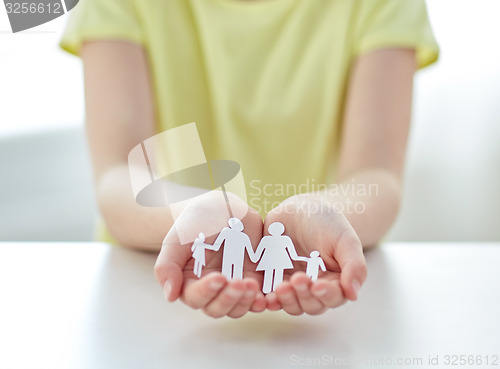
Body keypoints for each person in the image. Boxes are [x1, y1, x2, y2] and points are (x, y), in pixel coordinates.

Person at [60, 0, 439, 318]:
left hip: (322, 295)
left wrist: (319, 214)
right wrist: (196, 213)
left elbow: (375, 175)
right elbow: (120, 176)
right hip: (146, 289)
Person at [252, 222, 302, 293]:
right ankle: (273, 289)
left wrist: (254, 258)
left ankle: (269, 289)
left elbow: (259, 252)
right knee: (277, 274)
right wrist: (300, 258)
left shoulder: (267, 239)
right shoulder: (285, 239)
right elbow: (293, 254)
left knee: (270, 274)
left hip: (271, 260)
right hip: (280, 260)